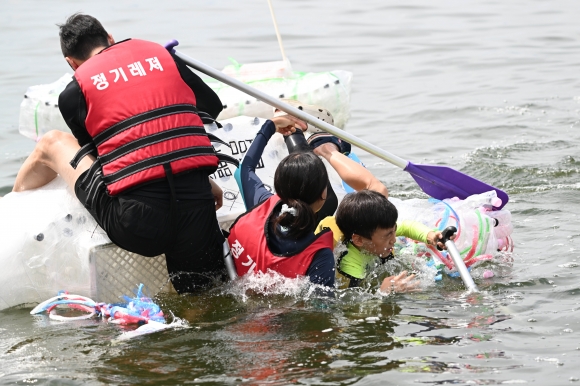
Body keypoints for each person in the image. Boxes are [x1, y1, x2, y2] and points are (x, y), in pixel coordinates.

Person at [12, 13, 227, 293]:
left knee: (51, 143)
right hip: (198, 209)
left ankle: (11, 215)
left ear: (71, 63)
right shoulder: (162, 57)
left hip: (137, 225)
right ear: (110, 38)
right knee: (204, 301)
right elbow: (210, 107)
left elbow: (104, 158)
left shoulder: (74, 92)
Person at [313, 143, 448, 293]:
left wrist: (430, 235)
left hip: (359, 226)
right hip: (325, 224)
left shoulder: (379, 231)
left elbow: (408, 226)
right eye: (388, 235)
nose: (394, 239)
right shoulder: (350, 266)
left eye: (393, 231)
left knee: (380, 191)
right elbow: (353, 301)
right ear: (359, 240)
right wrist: (382, 292)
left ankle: (328, 150)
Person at [227, 115, 336, 288]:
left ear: (279, 187)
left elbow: (243, 170)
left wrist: (270, 126)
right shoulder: (320, 255)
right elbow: (322, 310)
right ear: (324, 193)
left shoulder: (261, 204)